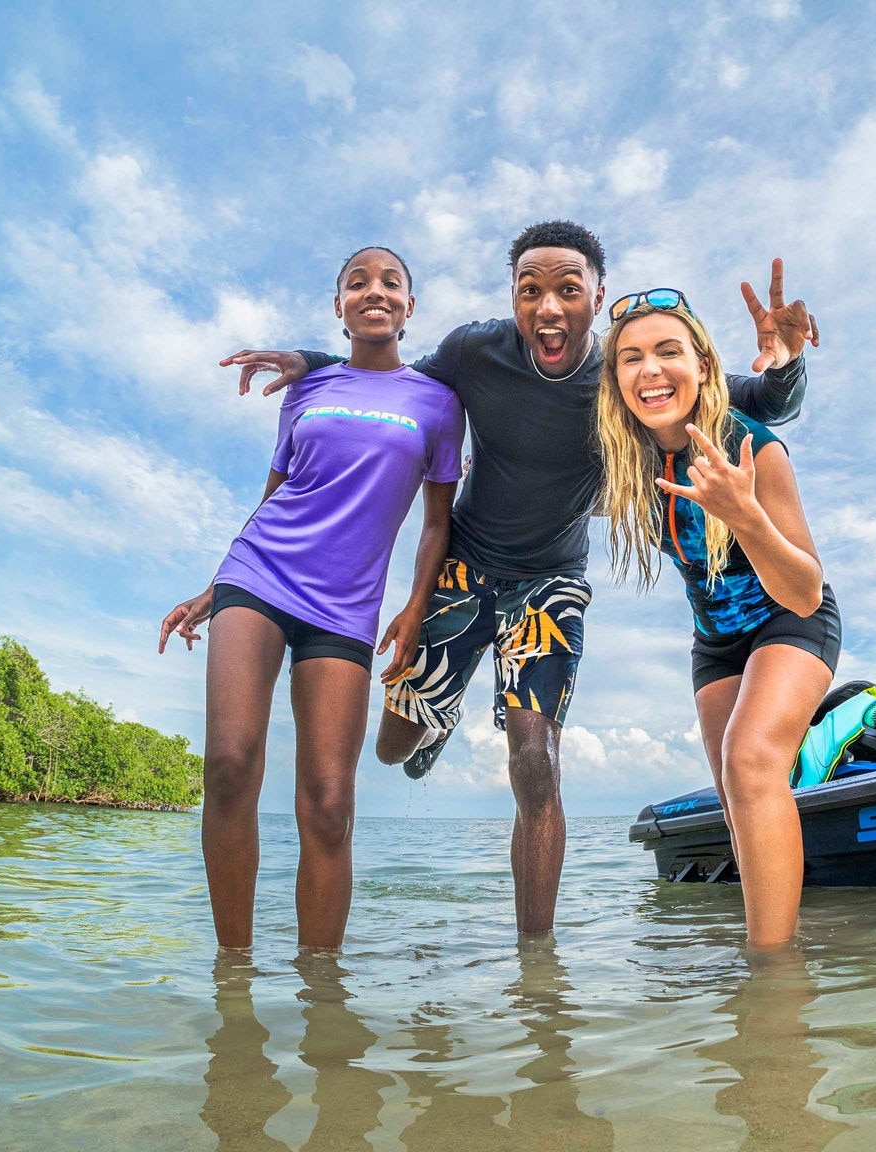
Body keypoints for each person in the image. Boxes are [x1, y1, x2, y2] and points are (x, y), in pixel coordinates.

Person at [219, 220, 820, 937]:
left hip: (549, 583)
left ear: (596, 300)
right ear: (513, 299)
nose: (548, 307)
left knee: (535, 760)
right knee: (392, 744)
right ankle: (433, 728)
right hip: (464, 565)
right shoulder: (475, 352)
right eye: (529, 290)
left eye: (569, 289)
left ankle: (538, 967)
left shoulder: (624, 377)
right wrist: (310, 358)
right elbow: (389, 375)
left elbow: (743, 401)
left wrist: (785, 366)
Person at [158, 247, 464, 952]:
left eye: (391, 283)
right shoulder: (311, 384)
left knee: (329, 804)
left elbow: (438, 522)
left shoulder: (439, 403)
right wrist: (215, 586)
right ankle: (232, 974)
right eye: (358, 283)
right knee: (230, 763)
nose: (374, 291)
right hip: (260, 575)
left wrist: (416, 606)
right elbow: (273, 496)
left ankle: (320, 994)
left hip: (345, 607)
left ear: (410, 307)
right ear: (340, 306)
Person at [596, 288, 836, 947]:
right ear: (615, 382)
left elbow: (806, 592)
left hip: (789, 619)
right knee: (736, 794)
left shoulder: (753, 446)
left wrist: (747, 518)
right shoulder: (628, 465)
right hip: (715, 643)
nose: (650, 369)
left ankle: (775, 985)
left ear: (704, 366)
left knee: (750, 756)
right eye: (631, 358)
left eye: (669, 351)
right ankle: (773, 934)